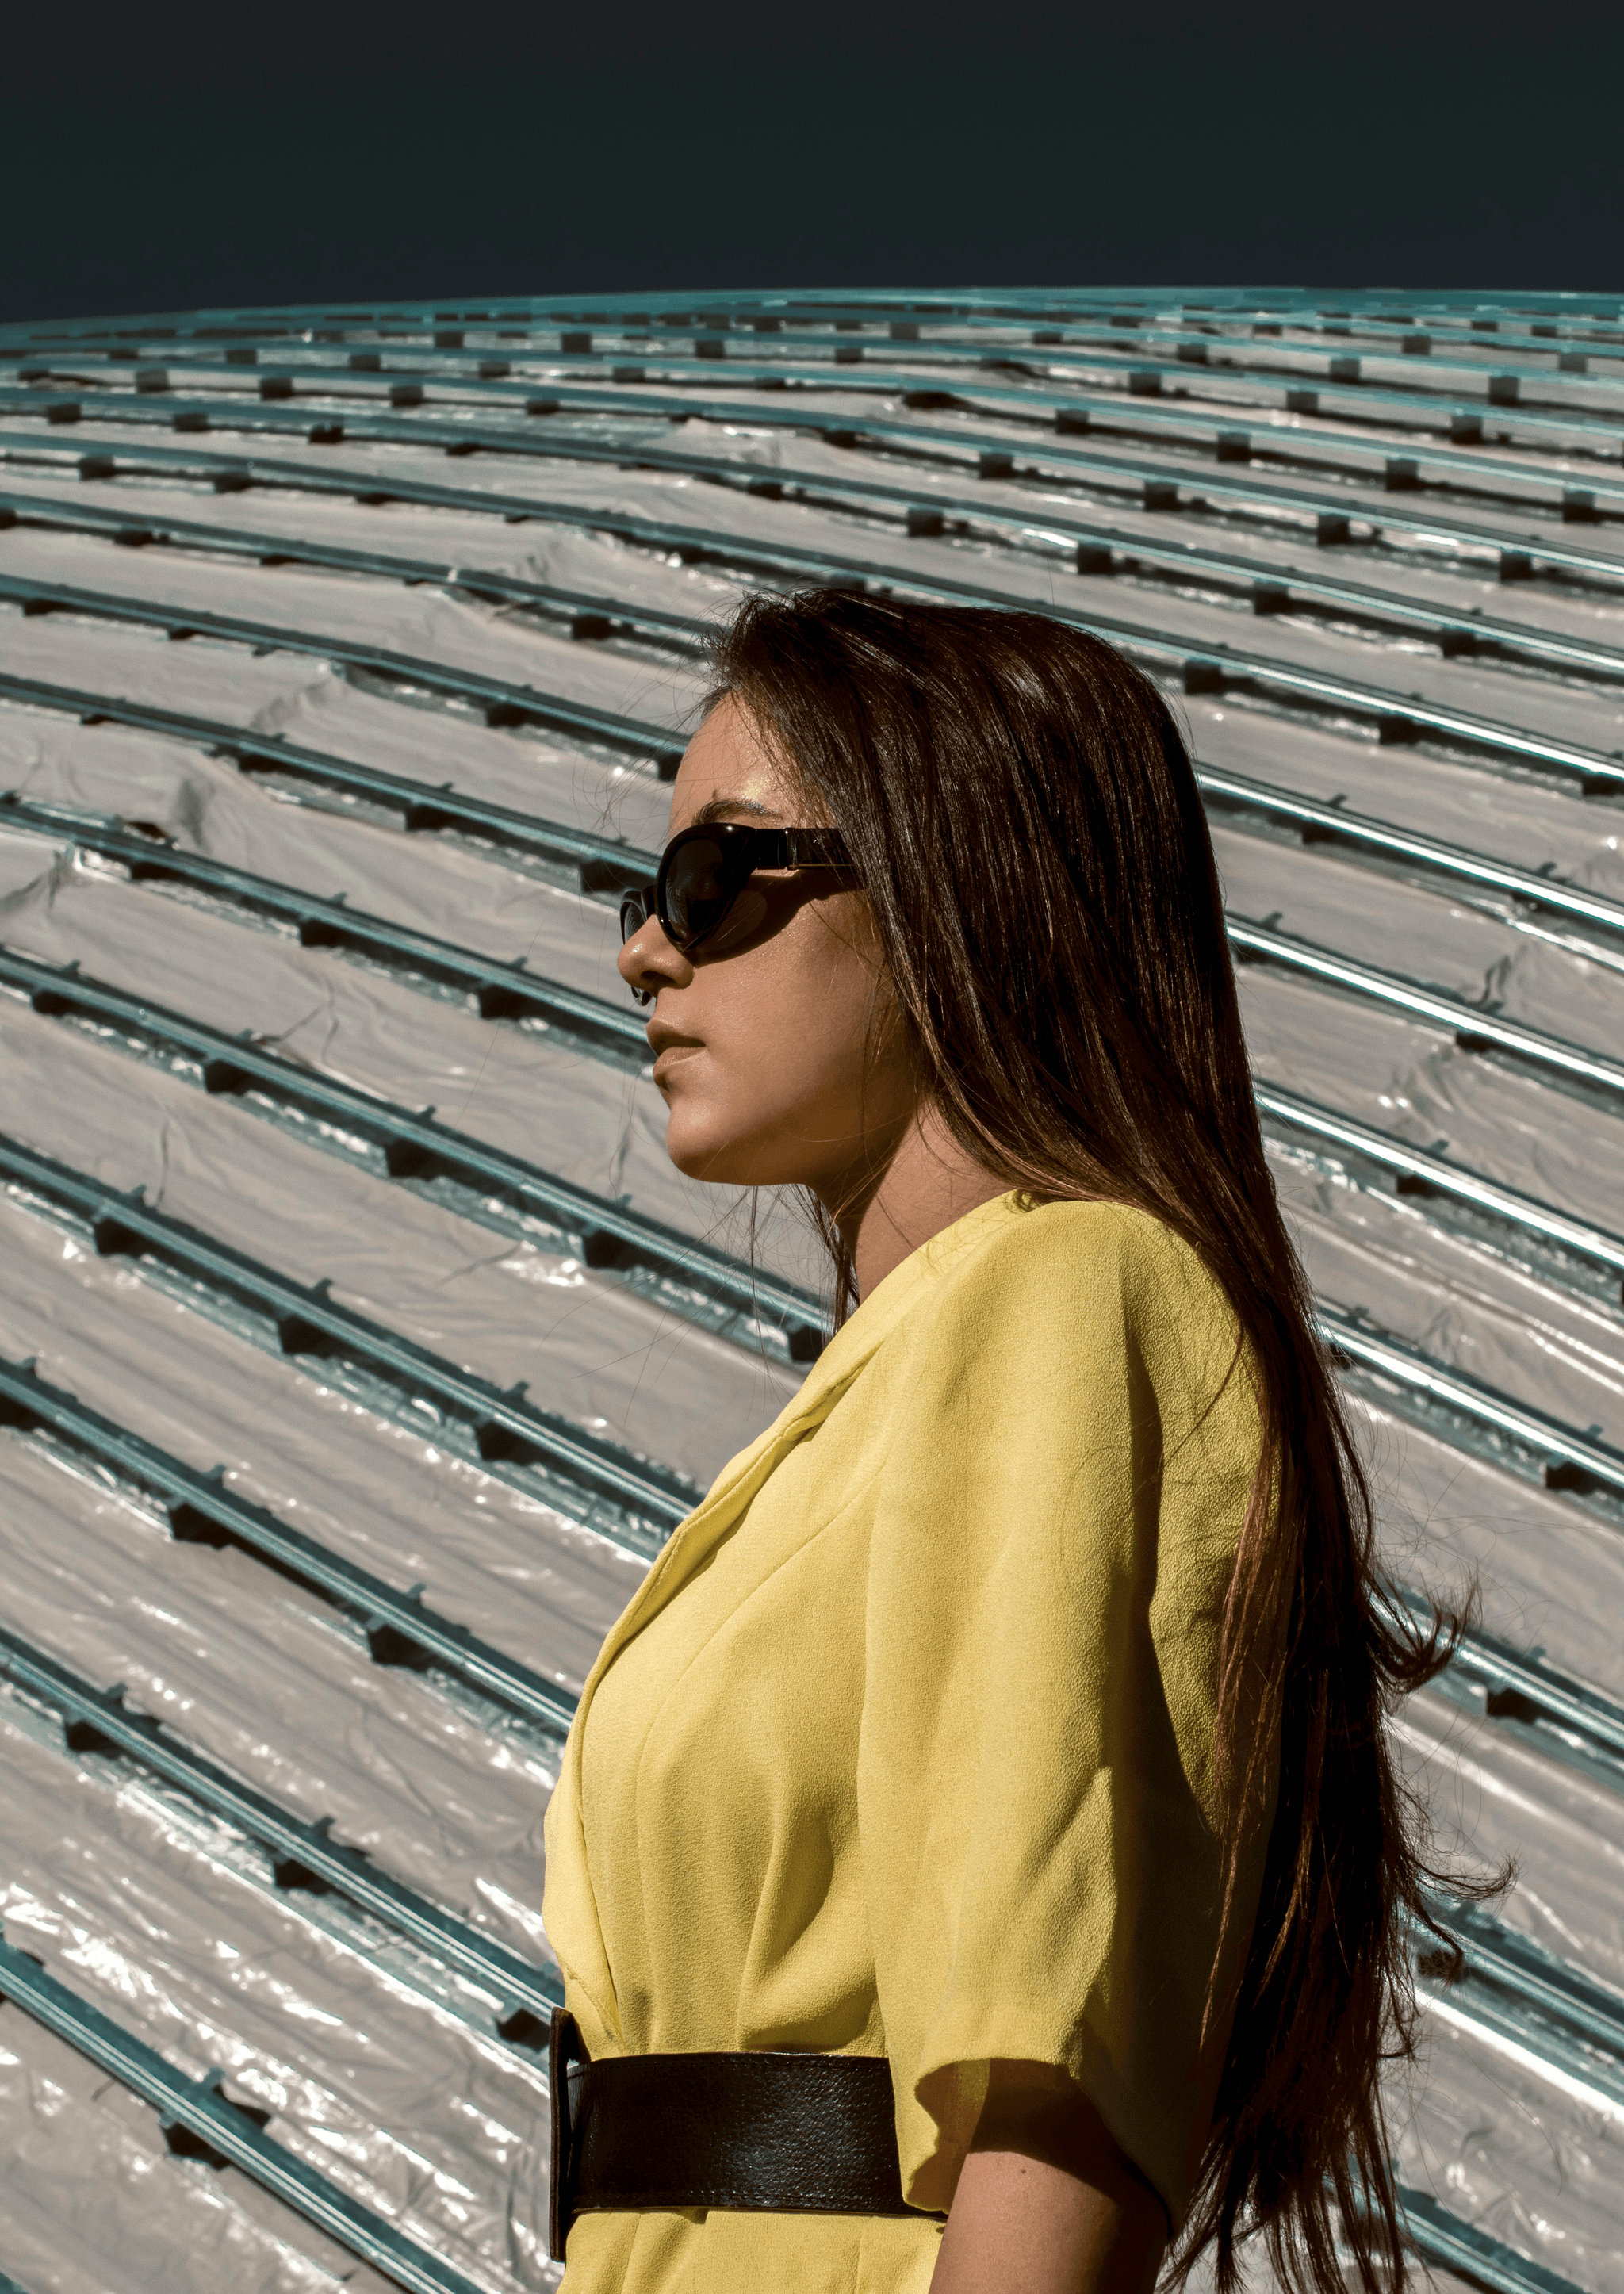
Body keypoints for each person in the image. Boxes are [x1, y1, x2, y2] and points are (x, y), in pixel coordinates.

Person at [540, 590, 1462, 2294]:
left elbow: (1055, 2093)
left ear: (950, 880)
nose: (644, 948)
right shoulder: (901, 1387)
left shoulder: (1067, 1297)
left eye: (716, 876)